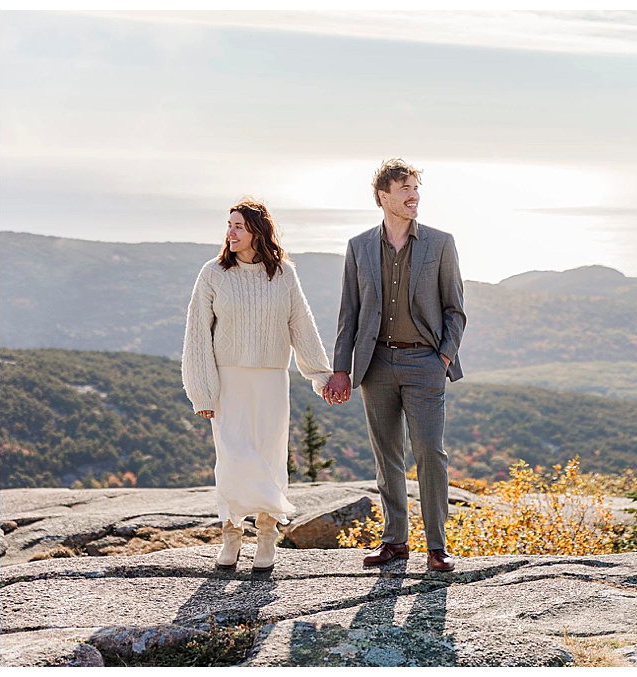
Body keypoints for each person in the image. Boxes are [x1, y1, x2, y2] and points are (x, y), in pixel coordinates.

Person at [320, 159, 468, 572]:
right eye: (404, 187)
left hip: (425, 363)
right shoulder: (359, 246)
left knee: (429, 453)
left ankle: (437, 547)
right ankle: (395, 542)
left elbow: (455, 310)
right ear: (384, 196)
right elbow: (348, 313)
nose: (413, 195)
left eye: (416, 187)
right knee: (387, 456)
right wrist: (341, 368)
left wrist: (441, 357)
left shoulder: (440, 243)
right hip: (376, 364)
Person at [182, 200, 335, 570]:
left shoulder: (283, 274)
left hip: (270, 380)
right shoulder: (213, 272)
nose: (230, 233)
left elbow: (301, 323)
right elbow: (197, 333)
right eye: (229, 225)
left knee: (268, 456)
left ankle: (266, 535)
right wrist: (202, 389)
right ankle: (231, 533)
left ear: (257, 231)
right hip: (228, 379)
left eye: (238, 226)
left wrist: (321, 375)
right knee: (232, 457)